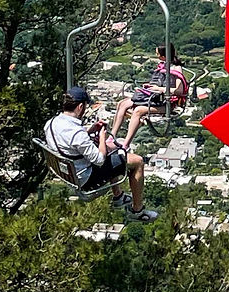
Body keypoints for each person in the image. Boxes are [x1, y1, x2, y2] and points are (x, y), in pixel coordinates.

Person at [44, 86, 158, 221]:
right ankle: (137, 210)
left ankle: (119, 196)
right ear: (80, 106)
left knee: (112, 149)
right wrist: (102, 137)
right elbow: (99, 160)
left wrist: (90, 131)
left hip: (70, 171)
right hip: (85, 177)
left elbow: (69, 142)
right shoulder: (76, 133)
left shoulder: (52, 123)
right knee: (137, 161)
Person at [111, 45, 189, 146]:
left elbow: (179, 91)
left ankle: (126, 144)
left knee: (138, 111)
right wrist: (151, 86)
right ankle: (112, 135)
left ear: (163, 56)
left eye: (157, 54)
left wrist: (159, 89)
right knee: (122, 104)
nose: (156, 56)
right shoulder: (163, 66)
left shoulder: (175, 69)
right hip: (157, 98)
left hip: (167, 102)